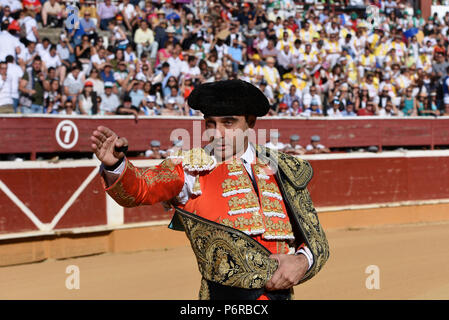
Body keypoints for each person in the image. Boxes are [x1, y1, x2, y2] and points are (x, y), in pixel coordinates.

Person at [90, 79, 329, 300]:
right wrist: (116, 164)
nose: (217, 133)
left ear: (251, 123)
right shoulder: (191, 168)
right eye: (210, 124)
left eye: (228, 122)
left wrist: (302, 261)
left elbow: (314, 240)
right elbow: (141, 188)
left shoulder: (282, 168)